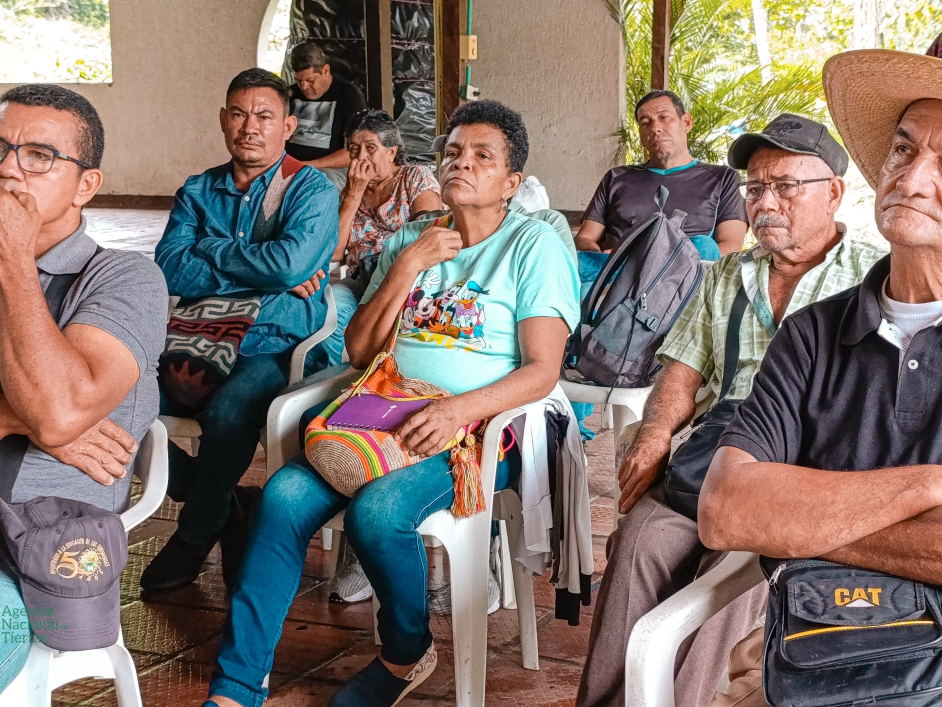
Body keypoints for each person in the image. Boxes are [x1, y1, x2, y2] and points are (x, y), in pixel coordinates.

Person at [200, 99, 579, 707]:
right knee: (284, 495)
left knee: (377, 514)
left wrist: (458, 411)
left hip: (476, 430)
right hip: (383, 413)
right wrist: (407, 264)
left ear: (511, 182)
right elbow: (358, 349)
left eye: (483, 156)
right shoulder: (411, 239)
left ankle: (404, 652)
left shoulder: (531, 246)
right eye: (453, 152)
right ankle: (237, 685)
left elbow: (541, 371)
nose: (462, 164)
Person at [576, 114, 886, 707]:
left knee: (735, 573)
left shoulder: (873, 276)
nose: (766, 202)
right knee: (641, 540)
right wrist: (654, 435)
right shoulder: (724, 277)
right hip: (715, 455)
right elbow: (682, 372)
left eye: (785, 187)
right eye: (756, 188)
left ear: (835, 193)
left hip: (800, 468)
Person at [703, 50, 942, 707]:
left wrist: (800, 517)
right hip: (815, 655)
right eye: (903, 148)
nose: (915, 178)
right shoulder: (810, 334)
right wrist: (929, 486)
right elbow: (726, 511)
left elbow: (763, 514)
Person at [141, 69, 339, 593]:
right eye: (239, 113)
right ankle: (227, 507)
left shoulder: (312, 188)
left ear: (289, 126)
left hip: (274, 343)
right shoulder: (200, 189)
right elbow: (168, 268)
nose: (249, 126)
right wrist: (265, 270)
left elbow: (290, 264)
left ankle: (192, 534)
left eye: (265, 116)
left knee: (228, 413)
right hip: (197, 337)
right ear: (224, 120)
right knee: (118, 402)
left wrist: (208, 249)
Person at [0, 84, 166, 689]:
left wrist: (13, 258)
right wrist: (21, 419)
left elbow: (60, 409)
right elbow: (48, 419)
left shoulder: (125, 279)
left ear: (86, 185)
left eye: (38, 156)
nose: (8, 168)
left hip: (35, 546)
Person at [575, 89, 748, 264]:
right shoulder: (616, 178)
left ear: (686, 122)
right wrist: (598, 257)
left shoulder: (723, 179)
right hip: (613, 276)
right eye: (645, 123)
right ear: (641, 136)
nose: (655, 128)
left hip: (684, 279)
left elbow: (730, 247)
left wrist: (646, 260)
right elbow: (585, 238)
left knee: (704, 246)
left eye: (664, 117)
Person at [284, 42, 368, 191]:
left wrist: (310, 165)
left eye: (310, 81)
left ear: (325, 70)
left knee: (315, 185)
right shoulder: (290, 94)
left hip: (333, 170)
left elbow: (355, 151)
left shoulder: (349, 96)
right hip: (291, 167)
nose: (304, 87)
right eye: (299, 81)